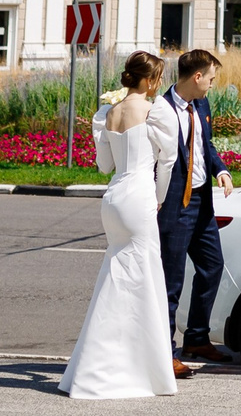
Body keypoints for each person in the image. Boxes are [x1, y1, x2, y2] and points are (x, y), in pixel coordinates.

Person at [61, 52, 179, 399]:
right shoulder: (154, 110)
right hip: (139, 196)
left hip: (112, 200)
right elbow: (168, 161)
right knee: (145, 278)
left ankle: (96, 364)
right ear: (149, 80)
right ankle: (143, 369)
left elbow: (103, 165)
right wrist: (159, 198)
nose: (159, 83)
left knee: (115, 277)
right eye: (158, 77)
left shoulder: (109, 113)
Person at [161, 50, 237, 366]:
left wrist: (221, 169)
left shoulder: (202, 104)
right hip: (175, 204)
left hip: (202, 201)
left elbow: (206, 146)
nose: (212, 85)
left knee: (212, 266)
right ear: (197, 77)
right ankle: (165, 352)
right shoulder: (161, 109)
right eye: (211, 79)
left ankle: (197, 339)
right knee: (171, 280)